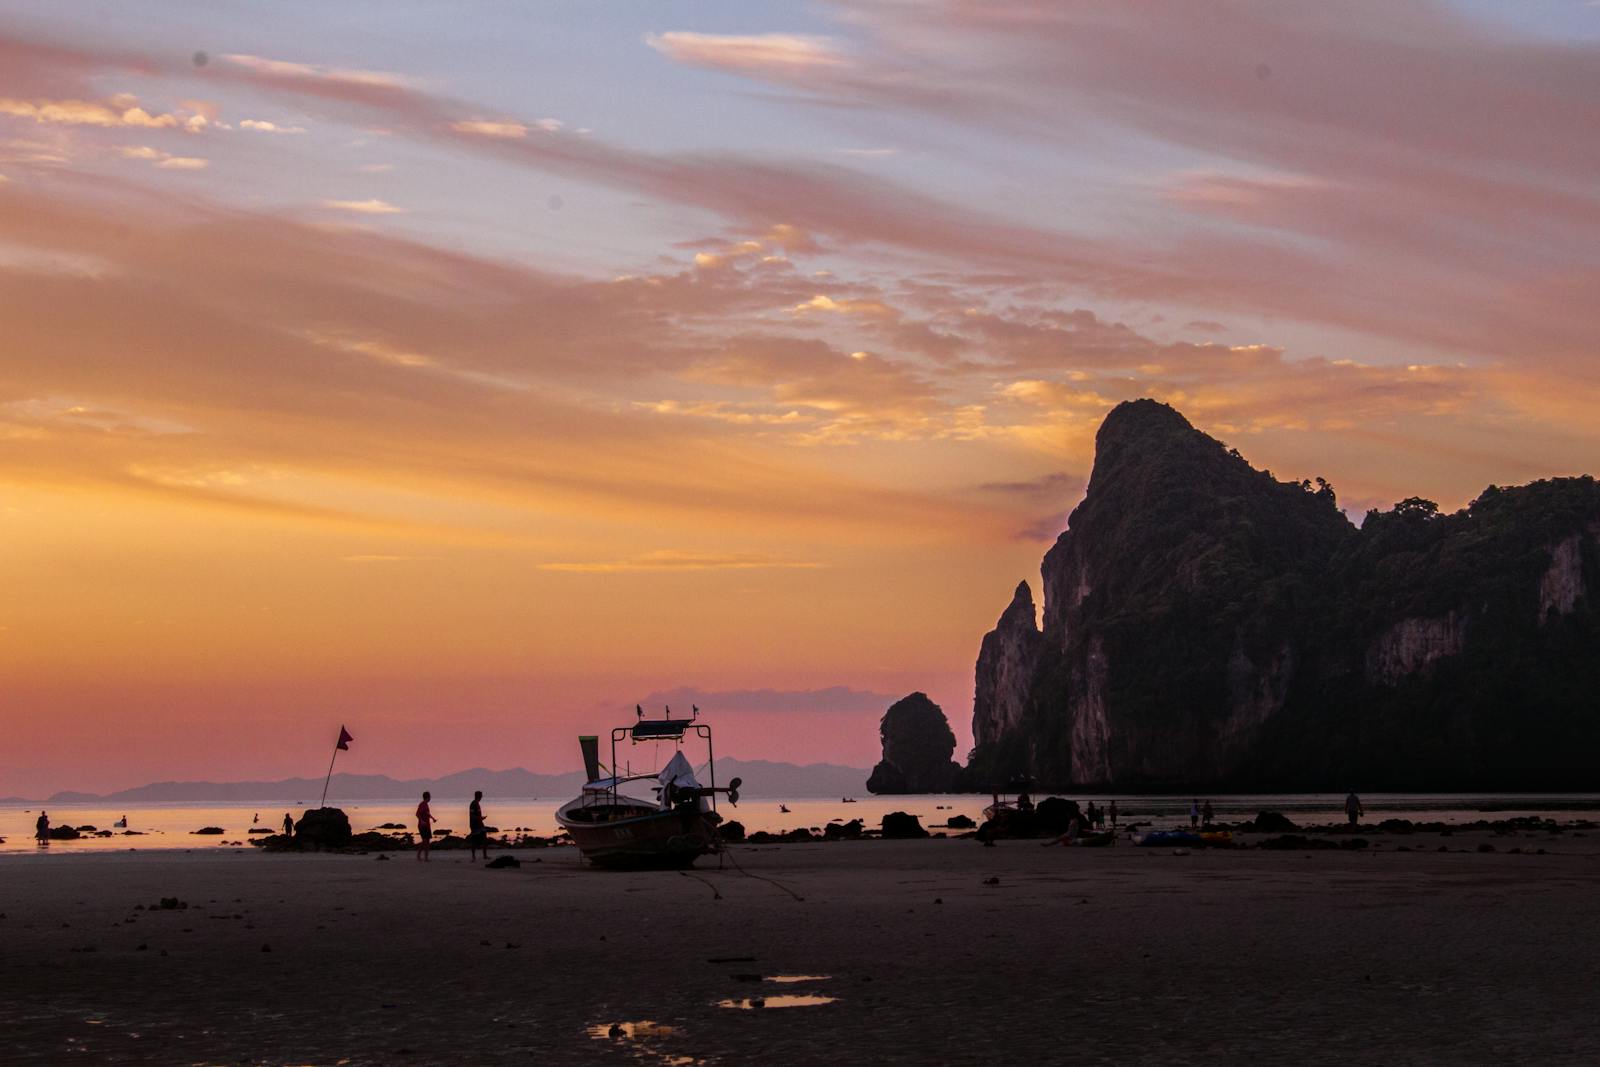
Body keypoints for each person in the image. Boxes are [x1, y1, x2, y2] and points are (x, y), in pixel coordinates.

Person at [468, 790, 489, 863]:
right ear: (478, 796)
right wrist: (480, 818)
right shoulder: (473, 804)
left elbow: (476, 815)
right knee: (474, 841)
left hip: (480, 824)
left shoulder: (477, 804)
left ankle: (485, 855)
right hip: (474, 825)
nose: (481, 797)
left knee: (484, 839)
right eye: (481, 795)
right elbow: (472, 815)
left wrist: (481, 818)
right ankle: (473, 857)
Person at [416, 791, 437, 861]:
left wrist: (433, 818)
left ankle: (426, 857)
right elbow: (417, 814)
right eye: (429, 797)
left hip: (427, 825)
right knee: (425, 840)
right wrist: (421, 821)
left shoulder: (426, 805)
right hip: (422, 826)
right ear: (427, 797)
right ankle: (419, 855)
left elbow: (427, 813)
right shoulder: (422, 804)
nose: (430, 798)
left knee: (427, 841)